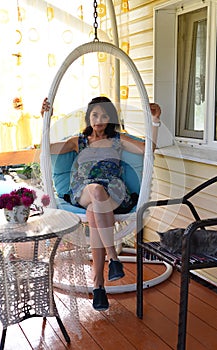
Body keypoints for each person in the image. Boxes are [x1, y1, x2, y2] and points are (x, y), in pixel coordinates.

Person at [41, 96, 161, 311]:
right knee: (95, 191)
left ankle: (98, 287)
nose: (99, 119)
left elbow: (149, 149)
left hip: (114, 190)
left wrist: (155, 121)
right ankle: (113, 258)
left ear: (110, 118)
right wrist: (44, 119)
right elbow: (46, 147)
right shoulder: (78, 141)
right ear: (88, 117)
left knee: (95, 211)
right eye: (95, 114)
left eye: (104, 115)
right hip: (85, 189)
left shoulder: (118, 140)